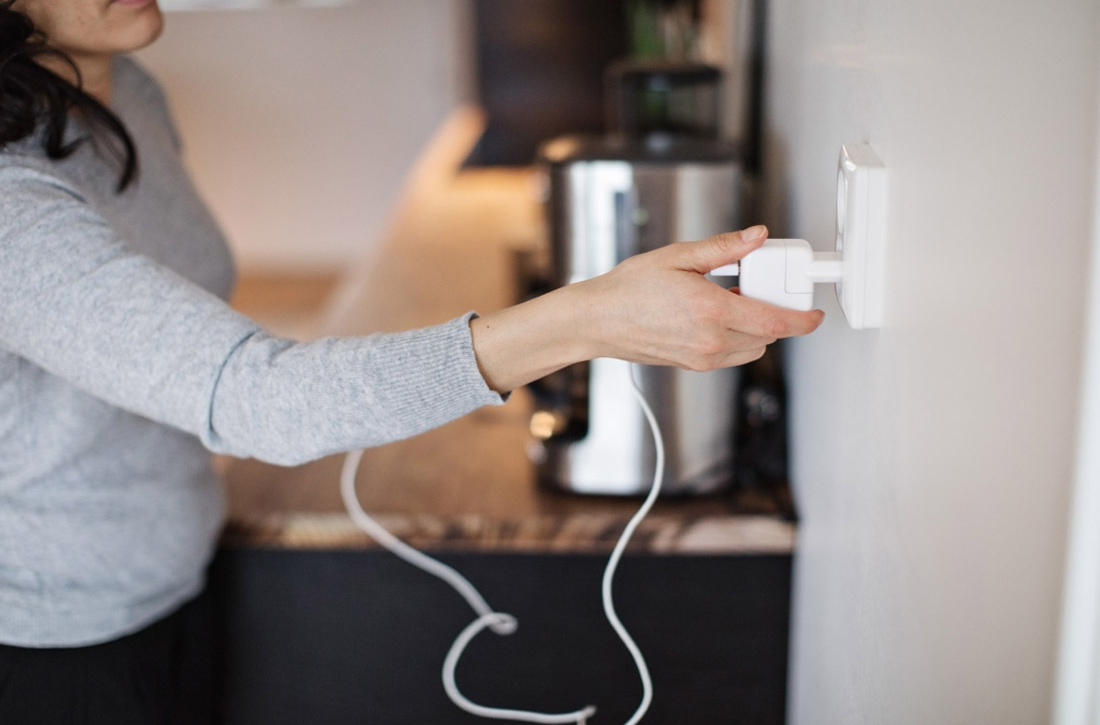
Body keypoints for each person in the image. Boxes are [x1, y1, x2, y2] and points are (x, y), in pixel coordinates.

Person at [0, 0, 824, 721]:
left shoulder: (125, 92)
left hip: (181, 574)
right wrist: (587, 319)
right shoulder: (12, 210)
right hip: (55, 643)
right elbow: (260, 399)